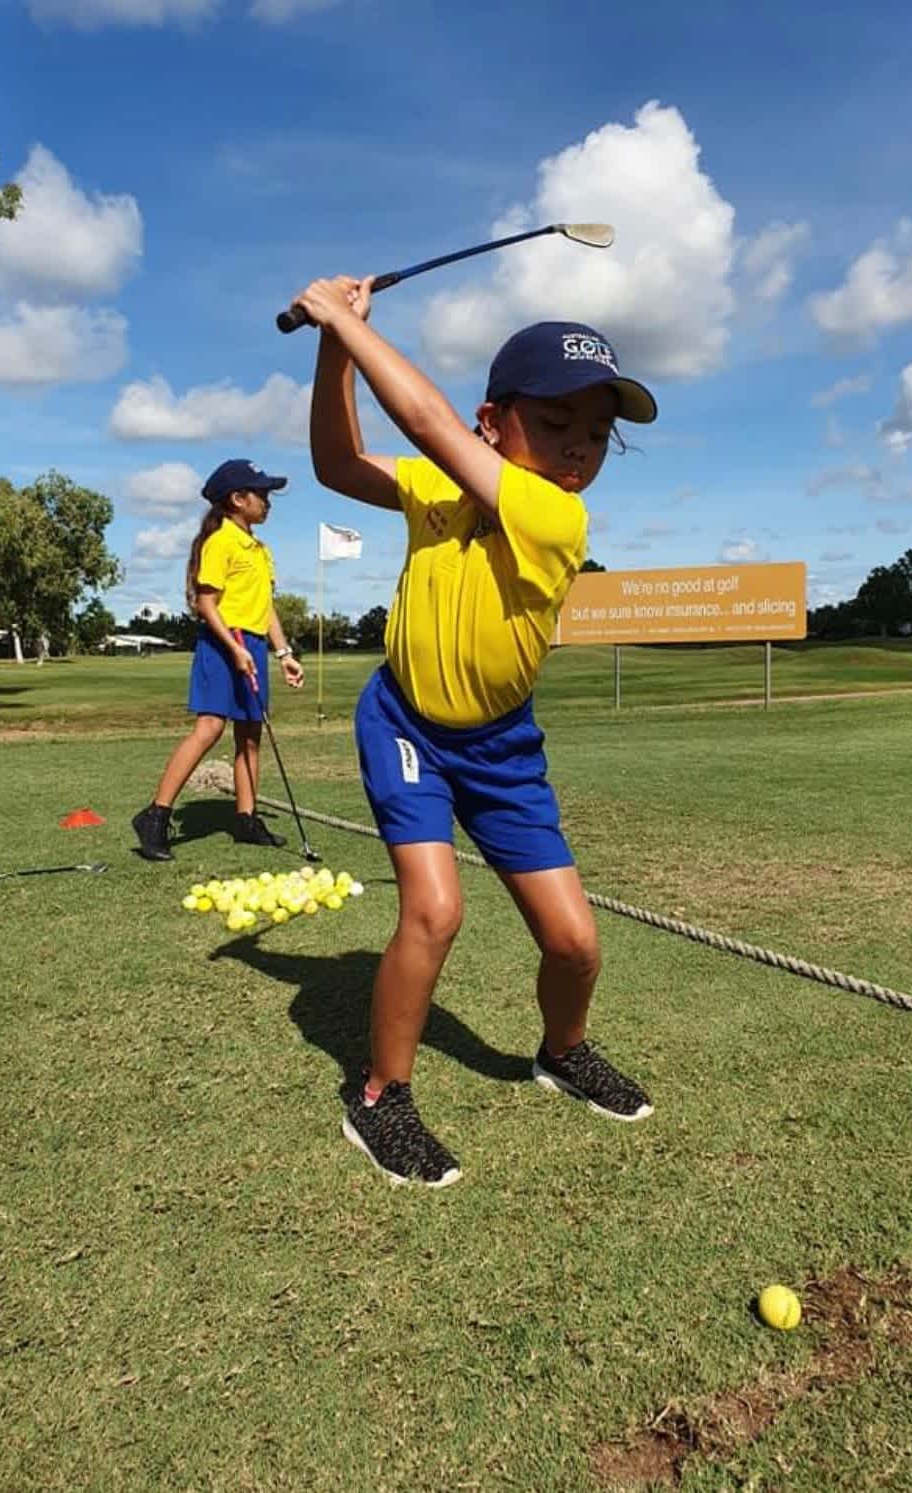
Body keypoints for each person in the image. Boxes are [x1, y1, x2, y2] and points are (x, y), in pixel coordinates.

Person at [297, 274, 658, 1187]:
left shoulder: (553, 513)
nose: (578, 450)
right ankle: (382, 1097)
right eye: (557, 424)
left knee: (574, 942)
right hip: (406, 719)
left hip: (501, 749)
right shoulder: (439, 486)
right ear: (493, 419)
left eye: (595, 434)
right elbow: (339, 465)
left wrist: (342, 316)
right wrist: (334, 344)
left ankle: (561, 1051)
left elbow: (423, 423)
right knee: (435, 907)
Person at [132, 458, 304, 861]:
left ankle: (246, 819)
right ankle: (155, 816)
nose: (267, 501)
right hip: (223, 644)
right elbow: (207, 604)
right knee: (209, 729)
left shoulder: (260, 549)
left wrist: (284, 653)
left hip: (253, 644)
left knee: (250, 735)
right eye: (261, 494)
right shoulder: (221, 542)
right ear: (237, 499)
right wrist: (235, 648)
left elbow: (266, 608)